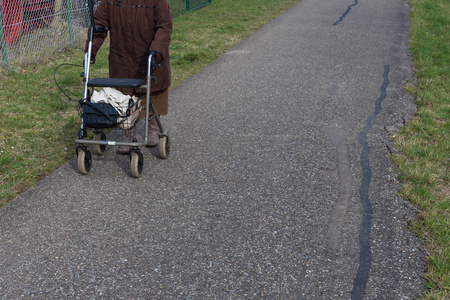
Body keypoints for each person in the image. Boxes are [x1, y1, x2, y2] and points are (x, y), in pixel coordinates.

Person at [86, 0, 172, 153]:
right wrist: (92, 46)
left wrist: (158, 49)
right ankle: (129, 134)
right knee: (124, 96)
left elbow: (164, 26)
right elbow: (99, 23)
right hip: (121, 56)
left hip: (149, 54)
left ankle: (152, 127)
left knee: (152, 92)